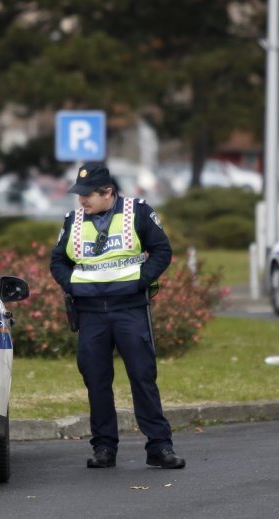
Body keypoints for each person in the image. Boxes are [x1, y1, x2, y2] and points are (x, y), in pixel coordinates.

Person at [50, 162, 185, 469]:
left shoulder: (137, 212)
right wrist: (70, 283)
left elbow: (162, 250)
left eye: (88, 195)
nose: (82, 200)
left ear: (108, 192)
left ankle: (159, 447)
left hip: (129, 310)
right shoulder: (73, 220)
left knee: (142, 377)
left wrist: (140, 281)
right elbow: (58, 261)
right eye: (79, 194)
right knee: (96, 382)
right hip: (91, 314)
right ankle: (104, 448)